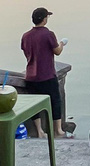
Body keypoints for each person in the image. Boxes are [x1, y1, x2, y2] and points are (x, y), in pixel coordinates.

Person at [21, 7, 70, 138]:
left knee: (34, 105)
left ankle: (39, 131)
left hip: (30, 76)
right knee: (55, 101)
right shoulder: (48, 34)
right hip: (47, 75)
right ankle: (58, 130)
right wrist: (62, 43)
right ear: (44, 19)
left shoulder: (26, 36)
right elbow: (57, 51)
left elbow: (26, 52)